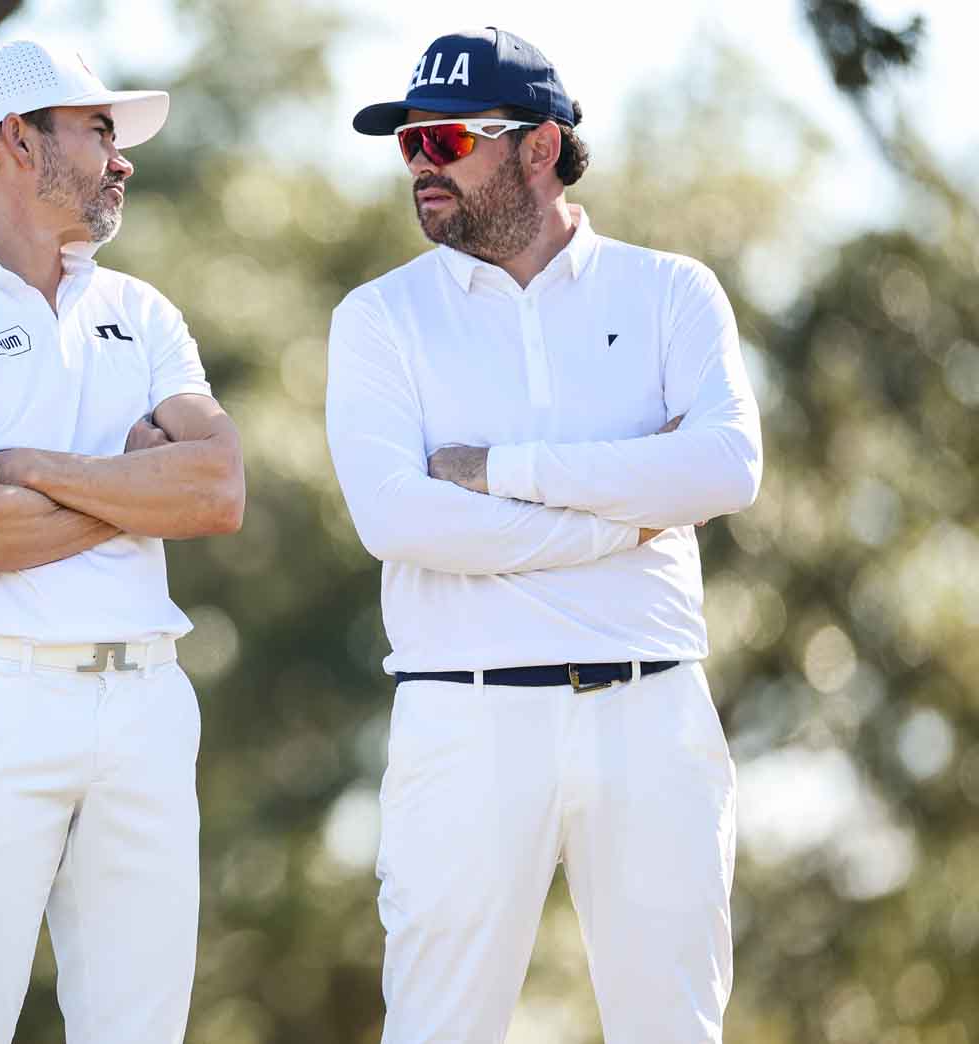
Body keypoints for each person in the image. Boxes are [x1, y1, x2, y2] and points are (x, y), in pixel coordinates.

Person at [325, 27, 763, 1043]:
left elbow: (723, 470)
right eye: (408, 144)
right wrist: (625, 520)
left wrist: (504, 472)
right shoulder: (377, 317)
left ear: (538, 145)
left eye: (445, 140)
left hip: (654, 711)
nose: (420, 167)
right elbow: (398, 519)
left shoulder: (670, 290)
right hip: (461, 721)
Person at [0, 38, 244, 1044]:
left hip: (147, 700)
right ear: (20, 143)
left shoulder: (141, 310)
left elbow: (215, 489)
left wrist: (35, 467)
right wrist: (130, 483)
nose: (121, 160)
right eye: (100, 131)